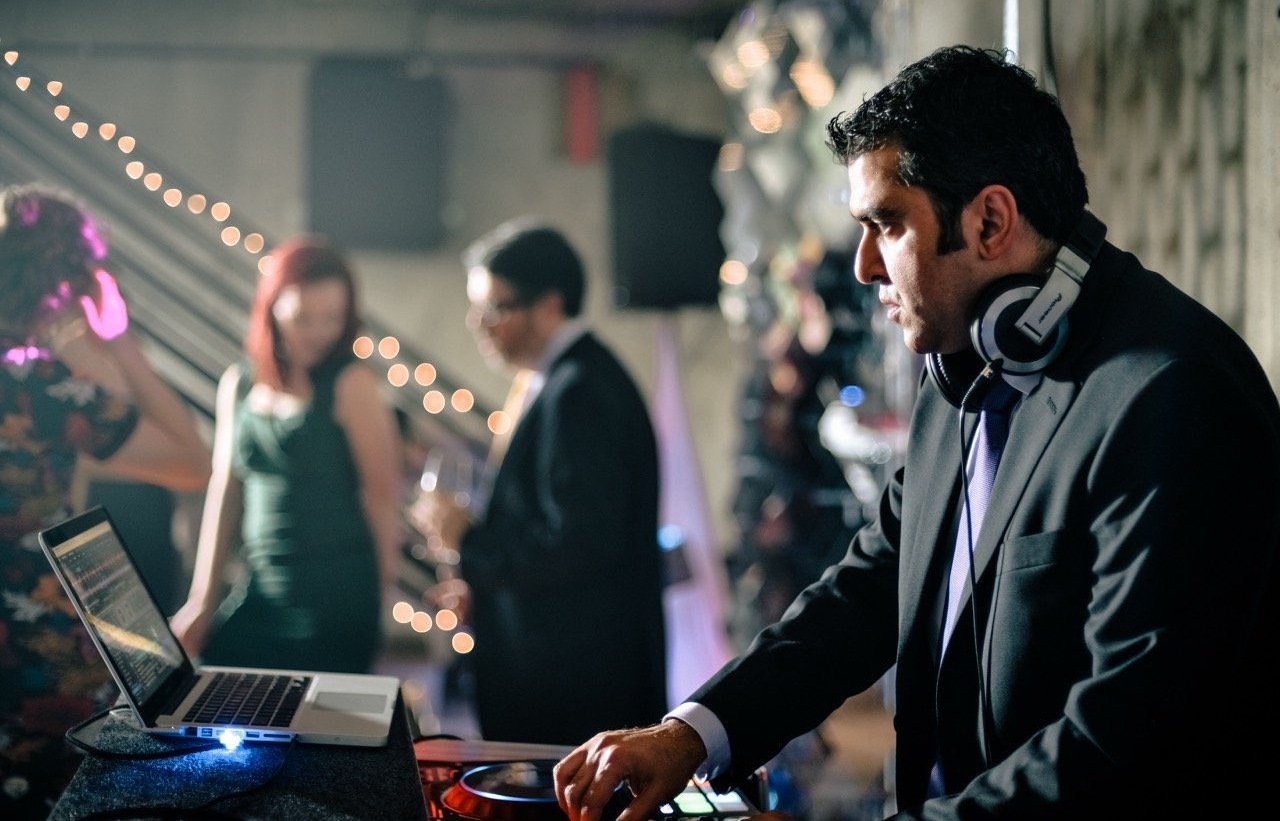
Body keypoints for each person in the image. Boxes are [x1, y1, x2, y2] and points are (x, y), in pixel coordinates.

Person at [554, 45, 1280, 819]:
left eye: (887, 224)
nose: (864, 266)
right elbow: (871, 589)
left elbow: (1124, 744)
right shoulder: (963, 366)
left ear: (989, 221)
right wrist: (694, 733)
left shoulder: (1174, 396)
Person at [0, 183, 211, 819]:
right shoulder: (43, 389)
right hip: (34, 647)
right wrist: (117, 340)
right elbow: (192, 462)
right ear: (65, 284)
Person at [420, 221, 666, 746]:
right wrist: (482, 587)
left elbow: (577, 542)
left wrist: (467, 541)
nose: (477, 324)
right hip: (560, 672)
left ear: (550, 306)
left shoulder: (580, 393)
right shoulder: (559, 380)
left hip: (575, 686)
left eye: (494, 308)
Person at [170, 236, 402, 674]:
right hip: (261, 587)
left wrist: (380, 598)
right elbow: (226, 489)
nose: (319, 332)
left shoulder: (353, 383)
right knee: (210, 676)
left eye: (332, 318)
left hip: (337, 598)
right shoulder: (239, 383)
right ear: (272, 308)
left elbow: (381, 497)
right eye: (303, 318)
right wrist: (202, 598)